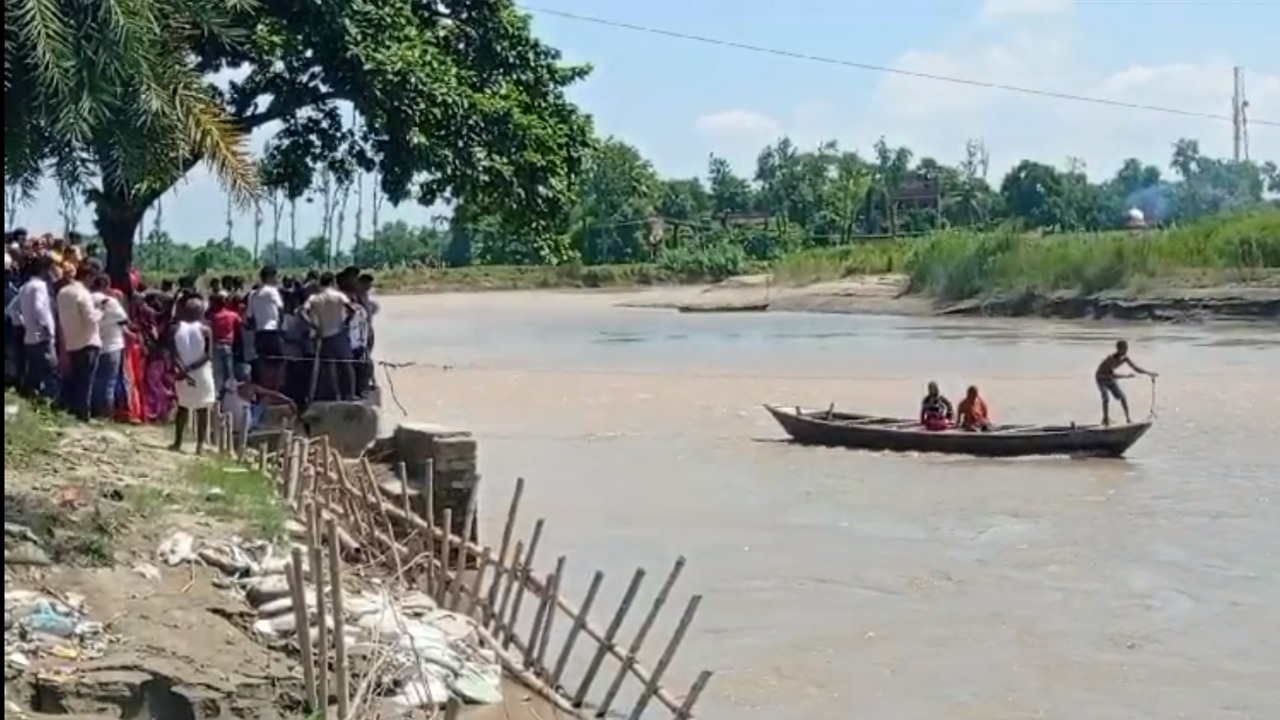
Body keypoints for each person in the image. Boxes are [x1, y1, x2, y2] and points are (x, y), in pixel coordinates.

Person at [56, 262, 103, 421]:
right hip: (88, 342)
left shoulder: (63, 292)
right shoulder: (83, 294)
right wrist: (100, 311)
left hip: (71, 342)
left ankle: (69, 409)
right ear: (88, 277)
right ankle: (83, 414)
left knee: (73, 379)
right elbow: (91, 319)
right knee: (86, 382)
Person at [170, 298, 216, 454]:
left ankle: (177, 443)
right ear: (201, 312)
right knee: (202, 409)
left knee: (182, 407)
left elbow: (173, 353)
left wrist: (182, 368)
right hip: (201, 372)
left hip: (181, 372)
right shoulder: (205, 329)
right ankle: (200, 446)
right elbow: (207, 355)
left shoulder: (175, 328)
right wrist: (189, 369)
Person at [302, 271, 356, 401]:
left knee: (330, 367)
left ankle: (335, 395)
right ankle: (350, 394)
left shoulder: (314, 298)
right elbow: (352, 309)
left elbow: (302, 312)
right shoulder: (339, 295)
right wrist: (346, 322)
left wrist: (314, 326)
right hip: (338, 333)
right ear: (333, 282)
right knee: (346, 365)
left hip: (323, 335)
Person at [16, 255, 59, 400]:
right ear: (45, 269)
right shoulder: (40, 286)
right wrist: (46, 327)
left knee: (33, 372)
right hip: (43, 337)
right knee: (50, 370)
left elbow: (12, 309)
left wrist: (23, 323)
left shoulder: (25, 287)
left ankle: (29, 400)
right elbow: (40, 308)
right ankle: (48, 401)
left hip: (29, 336)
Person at [221, 366, 296, 444]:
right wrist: (290, 400)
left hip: (228, 425)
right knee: (266, 399)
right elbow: (274, 394)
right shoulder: (250, 388)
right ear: (246, 376)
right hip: (243, 426)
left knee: (249, 407)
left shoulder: (227, 386)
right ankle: (256, 425)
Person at [90, 275, 130, 418]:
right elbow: (124, 320)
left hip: (93, 344)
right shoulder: (110, 301)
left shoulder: (86, 298)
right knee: (109, 382)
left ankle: (93, 411)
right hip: (112, 345)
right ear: (106, 286)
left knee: (95, 381)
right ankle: (105, 414)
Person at [1095, 340, 1157, 426]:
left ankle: (1128, 418)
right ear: (1118, 349)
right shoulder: (1110, 359)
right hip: (1101, 378)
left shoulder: (1125, 359)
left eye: (1126, 349)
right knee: (1106, 398)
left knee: (1122, 397)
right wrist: (1126, 376)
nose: (1125, 351)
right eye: (1124, 349)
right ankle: (1105, 419)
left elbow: (1136, 368)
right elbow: (1111, 374)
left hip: (1110, 378)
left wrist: (1149, 373)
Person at [247, 265, 285, 389]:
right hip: (273, 331)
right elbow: (280, 309)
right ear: (270, 277)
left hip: (260, 333)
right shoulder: (272, 291)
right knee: (278, 363)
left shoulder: (253, 294)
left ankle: (265, 391)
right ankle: (276, 390)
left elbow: (250, 316)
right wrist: (281, 327)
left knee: (263, 364)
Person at [207, 293, 242, 398]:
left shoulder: (211, 316)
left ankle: (218, 398)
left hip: (215, 346)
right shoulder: (233, 315)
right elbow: (240, 329)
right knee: (229, 374)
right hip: (228, 347)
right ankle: (230, 397)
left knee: (217, 375)